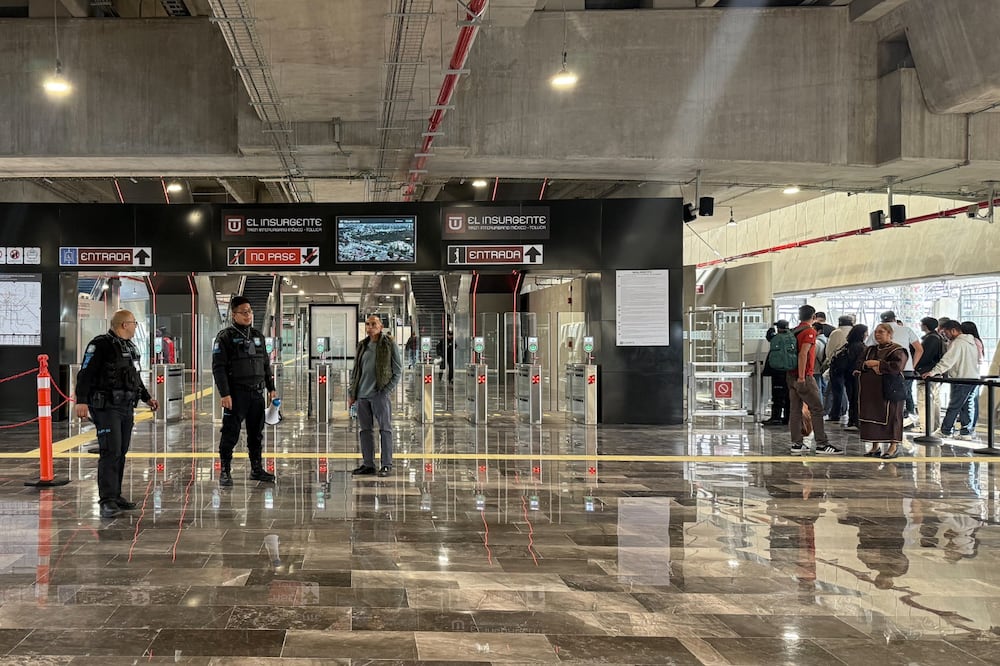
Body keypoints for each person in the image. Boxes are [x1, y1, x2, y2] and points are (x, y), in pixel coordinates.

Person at [74, 310, 159, 518]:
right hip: (106, 407)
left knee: (121, 450)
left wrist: (147, 397)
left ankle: (116, 494)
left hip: (125, 406)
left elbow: (135, 376)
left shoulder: (130, 347)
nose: (135, 326)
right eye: (133, 323)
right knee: (110, 451)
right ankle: (106, 500)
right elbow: (85, 373)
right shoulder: (100, 345)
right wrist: (81, 400)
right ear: (123, 325)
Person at [212, 296, 277, 487]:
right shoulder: (225, 337)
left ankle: (256, 469)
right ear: (234, 314)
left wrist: (271, 388)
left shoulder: (258, 336)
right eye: (244, 312)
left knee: (256, 434)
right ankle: (225, 470)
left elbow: (265, 364)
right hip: (236, 394)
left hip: (257, 394)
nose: (248, 315)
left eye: (250, 311)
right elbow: (218, 368)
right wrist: (225, 394)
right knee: (230, 433)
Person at [348, 315, 403, 477]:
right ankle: (368, 464)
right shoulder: (362, 345)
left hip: (379, 394)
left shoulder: (388, 344)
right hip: (362, 395)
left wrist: (386, 390)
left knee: (385, 429)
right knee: (365, 430)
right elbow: (356, 371)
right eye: (368, 324)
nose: (370, 327)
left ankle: (386, 464)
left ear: (381, 326)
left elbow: (398, 370)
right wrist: (352, 393)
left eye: (373, 324)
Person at [788, 305, 840, 455]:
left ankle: (796, 444)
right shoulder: (809, 332)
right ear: (814, 316)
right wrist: (802, 377)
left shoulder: (794, 331)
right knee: (817, 409)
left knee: (795, 409)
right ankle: (822, 444)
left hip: (790, 376)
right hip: (804, 376)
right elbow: (803, 354)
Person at [855, 323, 909, 459]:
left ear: (889, 334)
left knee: (892, 416)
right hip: (871, 391)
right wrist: (869, 364)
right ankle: (875, 446)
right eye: (876, 332)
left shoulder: (897, 350)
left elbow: (897, 366)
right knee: (872, 416)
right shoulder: (870, 349)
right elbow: (859, 363)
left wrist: (878, 364)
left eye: (881, 332)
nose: (877, 335)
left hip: (890, 390)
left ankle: (893, 446)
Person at [922, 319, 980, 440]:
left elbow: (948, 360)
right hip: (973, 377)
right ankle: (965, 432)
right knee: (967, 405)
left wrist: (933, 372)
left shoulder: (958, 343)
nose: (945, 336)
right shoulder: (972, 341)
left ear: (953, 330)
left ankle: (945, 430)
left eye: (946, 332)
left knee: (954, 405)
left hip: (961, 378)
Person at [866, 311, 922, 427]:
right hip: (906, 369)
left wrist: (875, 364)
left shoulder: (876, 332)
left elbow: (867, 349)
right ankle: (907, 418)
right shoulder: (906, 330)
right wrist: (912, 365)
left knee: (888, 396)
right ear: (895, 319)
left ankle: (891, 421)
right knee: (905, 394)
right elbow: (919, 349)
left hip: (885, 368)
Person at [913, 317, 945, 433]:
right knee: (934, 401)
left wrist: (916, 367)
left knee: (924, 400)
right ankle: (934, 426)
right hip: (936, 373)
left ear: (925, 326)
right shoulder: (938, 337)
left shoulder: (930, 339)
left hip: (927, 373)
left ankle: (925, 426)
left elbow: (924, 356)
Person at [957, 321, 985, 435]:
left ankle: (968, 426)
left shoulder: (971, 342)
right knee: (972, 400)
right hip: (976, 374)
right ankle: (969, 425)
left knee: (969, 401)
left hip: (970, 374)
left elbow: (979, 359)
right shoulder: (978, 341)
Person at [824, 315, 854, 423]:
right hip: (852, 366)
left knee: (837, 391)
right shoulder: (855, 331)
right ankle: (852, 415)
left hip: (838, 366)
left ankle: (835, 414)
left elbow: (829, 350)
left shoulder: (836, 332)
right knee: (851, 391)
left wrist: (830, 360)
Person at [762, 320, 792, 426]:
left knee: (777, 396)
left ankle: (776, 417)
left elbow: (770, 338)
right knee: (788, 396)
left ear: (779, 328)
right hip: (789, 371)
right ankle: (788, 418)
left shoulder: (777, 338)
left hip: (778, 371)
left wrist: (770, 331)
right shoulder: (791, 337)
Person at [841, 324, 869, 432]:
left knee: (851, 398)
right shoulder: (860, 347)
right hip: (857, 375)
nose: (867, 334)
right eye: (866, 332)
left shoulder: (849, 345)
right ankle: (857, 421)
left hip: (848, 375)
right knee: (857, 398)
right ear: (862, 334)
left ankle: (852, 420)